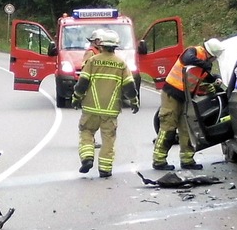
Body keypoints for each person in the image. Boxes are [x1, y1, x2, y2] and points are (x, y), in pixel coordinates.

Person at [71, 30, 138, 178]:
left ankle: (87, 157)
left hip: (90, 108)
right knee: (108, 139)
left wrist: (76, 98)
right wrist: (134, 102)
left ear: (101, 45)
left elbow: (82, 83)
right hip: (110, 110)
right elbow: (129, 87)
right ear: (115, 46)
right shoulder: (121, 64)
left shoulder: (93, 61)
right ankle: (105, 169)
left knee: (86, 132)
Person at [153, 37, 225, 171]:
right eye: (214, 59)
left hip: (185, 97)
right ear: (211, 55)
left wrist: (217, 79)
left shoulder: (202, 64)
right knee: (168, 126)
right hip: (172, 94)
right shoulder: (194, 51)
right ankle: (159, 160)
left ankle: (187, 160)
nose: (213, 61)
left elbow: (208, 77)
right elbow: (187, 59)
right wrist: (205, 65)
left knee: (186, 129)